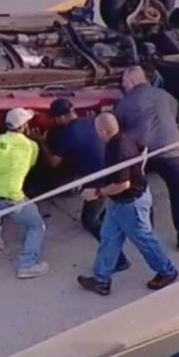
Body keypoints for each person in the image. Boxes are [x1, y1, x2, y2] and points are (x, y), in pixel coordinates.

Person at [77, 112, 179, 296]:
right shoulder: (127, 137)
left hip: (131, 204)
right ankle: (101, 280)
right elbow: (144, 149)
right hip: (121, 203)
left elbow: (123, 184)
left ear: (104, 130)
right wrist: (138, 171)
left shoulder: (118, 151)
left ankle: (167, 271)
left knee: (145, 240)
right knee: (109, 238)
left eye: (97, 130)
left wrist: (97, 193)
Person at [29, 97, 130, 272]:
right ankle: (113, 219)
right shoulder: (92, 121)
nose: (54, 121)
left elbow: (53, 162)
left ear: (61, 117)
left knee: (90, 220)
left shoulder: (68, 135)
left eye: (55, 118)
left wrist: (40, 141)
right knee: (107, 208)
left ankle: (118, 259)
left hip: (98, 181)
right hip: (113, 169)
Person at [114, 65, 179, 251]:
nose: (123, 86)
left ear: (132, 81)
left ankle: (150, 239)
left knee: (142, 195)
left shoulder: (123, 105)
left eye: (124, 82)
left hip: (142, 155)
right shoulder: (165, 96)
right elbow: (177, 118)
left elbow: (119, 132)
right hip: (171, 152)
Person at [0, 107, 49, 279]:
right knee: (36, 226)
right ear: (24, 126)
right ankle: (27, 264)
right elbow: (29, 166)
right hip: (12, 198)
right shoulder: (32, 146)